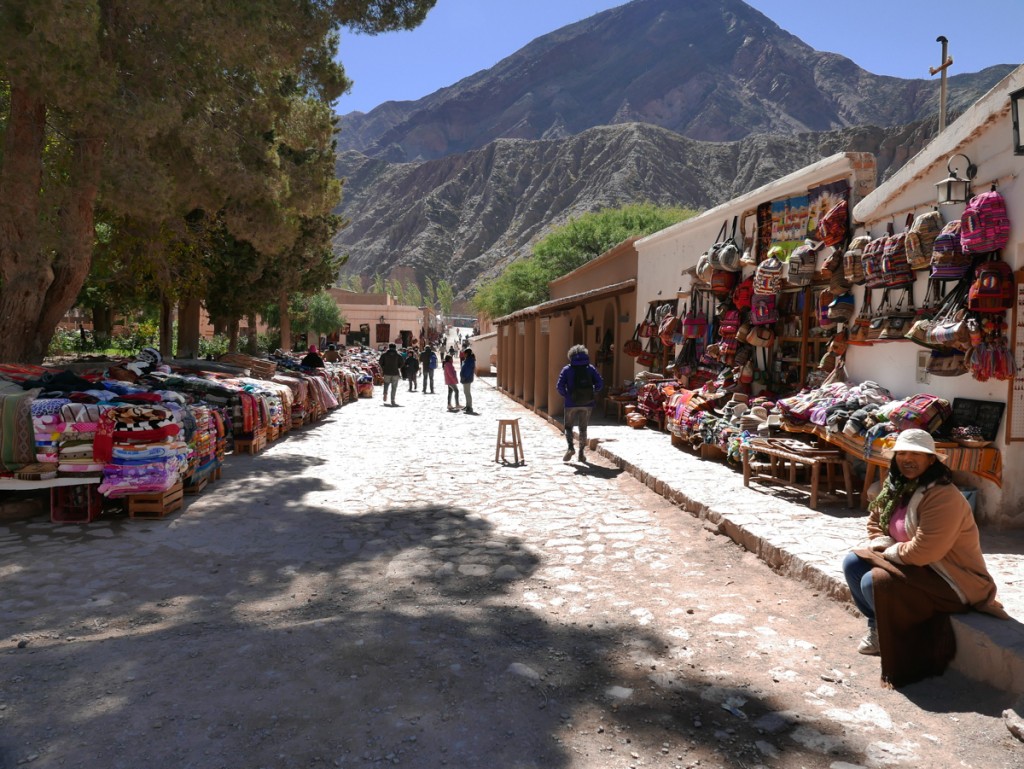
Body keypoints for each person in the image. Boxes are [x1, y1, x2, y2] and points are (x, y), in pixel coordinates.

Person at [842, 428, 1007, 688]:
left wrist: (889, 553)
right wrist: (881, 543)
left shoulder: (943, 496)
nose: (908, 459)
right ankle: (877, 626)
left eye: (917, 454)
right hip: (913, 565)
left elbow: (925, 551)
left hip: (950, 577)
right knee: (853, 563)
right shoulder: (896, 487)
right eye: (903, 453)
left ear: (931, 460)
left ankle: (900, 637)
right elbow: (875, 521)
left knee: (873, 582)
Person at [555, 344, 604, 463]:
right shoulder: (590, 368)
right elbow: (600, 383)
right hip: (587, 404)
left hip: (571, 404)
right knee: (583, 429)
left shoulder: (567, 369)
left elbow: (559, 386)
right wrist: (593, 393)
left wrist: (567, 396)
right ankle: (581, 453)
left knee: (568, 427)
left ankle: (571, 448)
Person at [460, 347, 476, 414]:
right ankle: (467, 405)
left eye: (465, 353)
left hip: (467, 378)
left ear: (467, 353)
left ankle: (470, 407)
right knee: (466, 392)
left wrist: (464, 377)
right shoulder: (468, 359)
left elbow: (468, 370)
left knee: (467, 393)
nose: (464, 354)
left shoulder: (469, 361)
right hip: (466, 378)